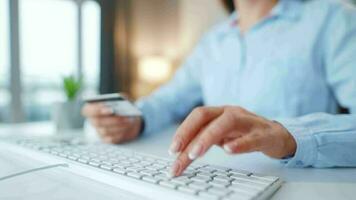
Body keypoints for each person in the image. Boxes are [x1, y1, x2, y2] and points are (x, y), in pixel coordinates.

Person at [82, 0, 356, 177]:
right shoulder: (212, 40)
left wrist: (284, 136)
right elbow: (168, 99)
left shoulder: (333, 19)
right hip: (215, 181)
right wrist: (135, 119)